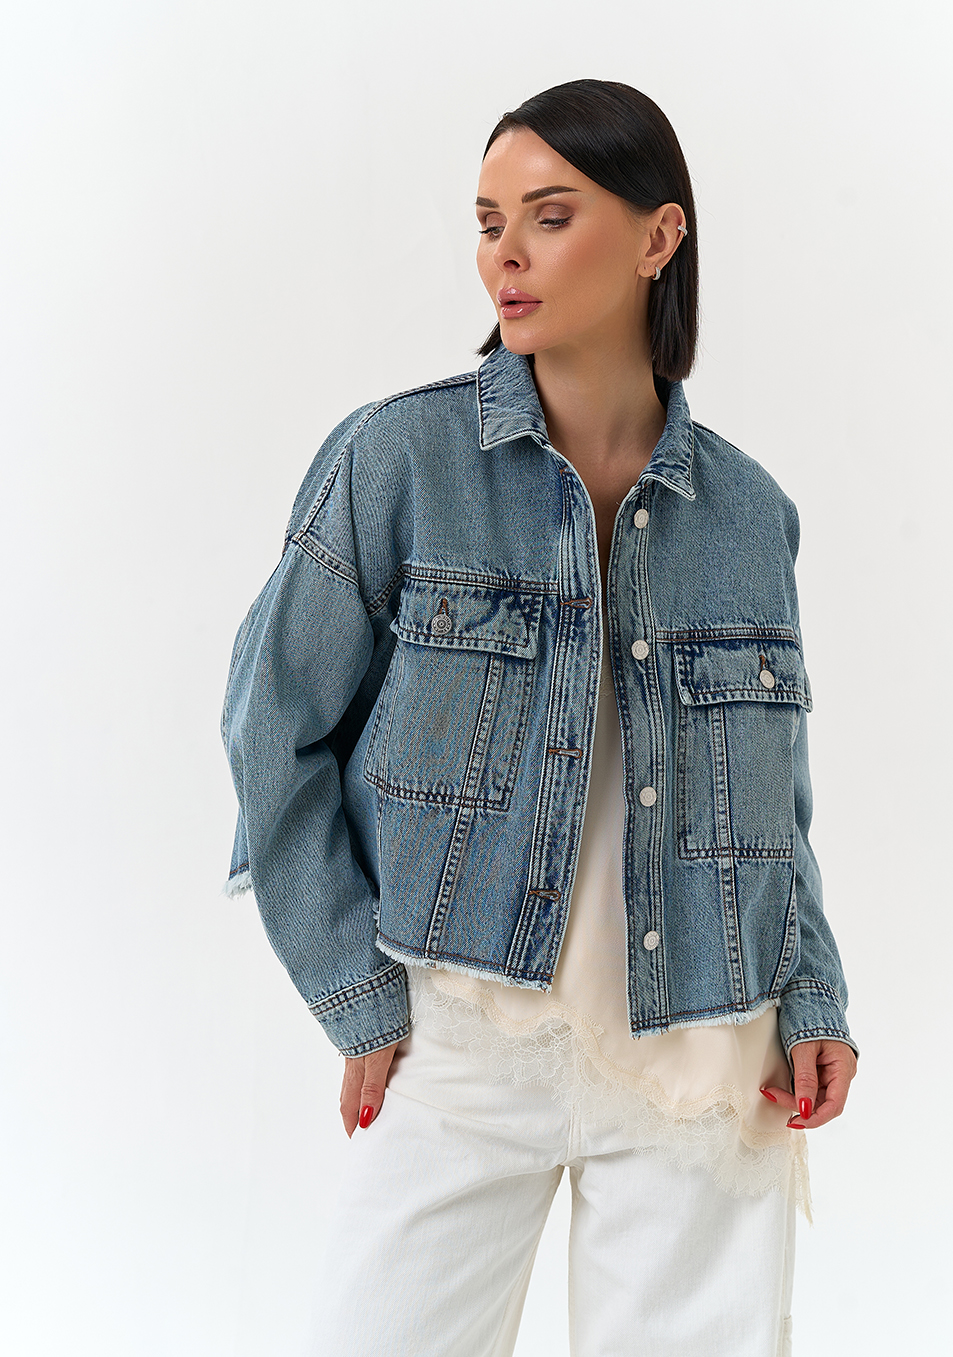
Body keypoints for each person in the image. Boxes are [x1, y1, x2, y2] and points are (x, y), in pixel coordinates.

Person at [221, 78, 858, 1357]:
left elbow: (771, 807)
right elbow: (269, 726)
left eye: (549, 216)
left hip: (702, 1045)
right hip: (463, 1035)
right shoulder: (398, 462)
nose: (503, 254)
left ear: (657, 237)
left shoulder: (748, 513)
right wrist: (355, 990)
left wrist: (810, 998)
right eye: (487, 221)